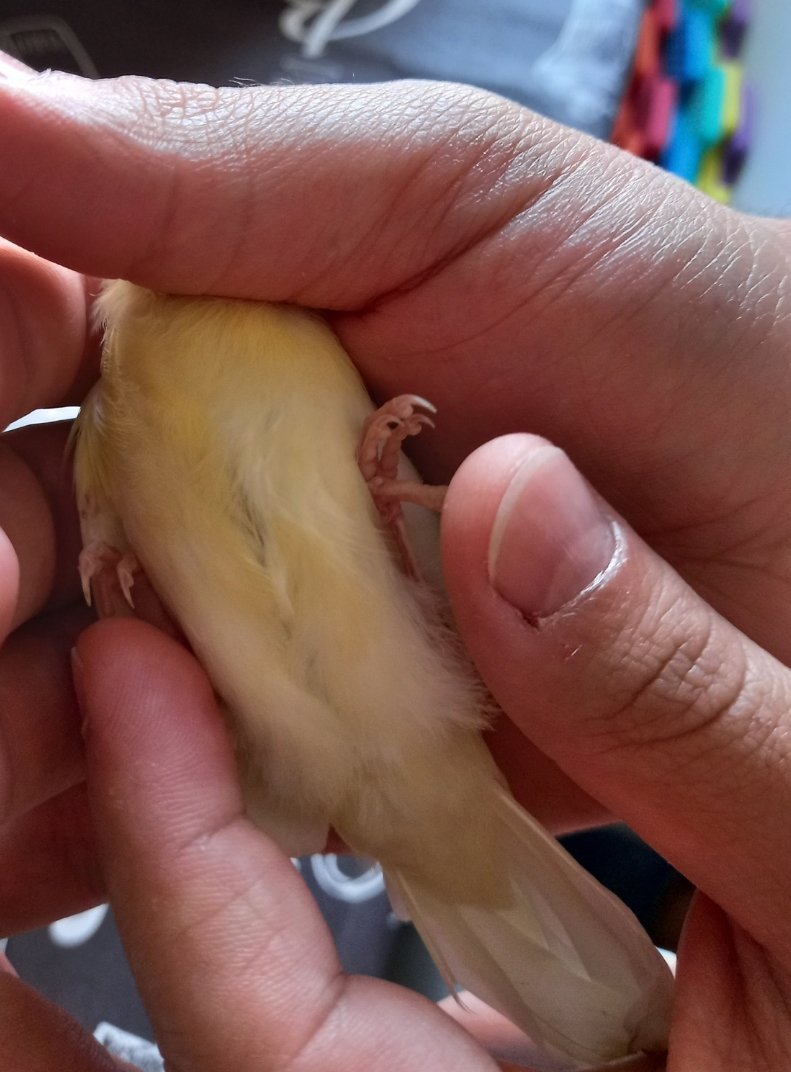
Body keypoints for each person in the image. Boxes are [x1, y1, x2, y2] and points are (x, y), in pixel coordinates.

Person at [1, 52, 790, 1071]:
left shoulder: (281, 322)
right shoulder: (116, 398)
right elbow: (125, 556)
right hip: (304, 738)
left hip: (405, 723)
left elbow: (404, 545)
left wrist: (391, 482)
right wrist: (119, 572)